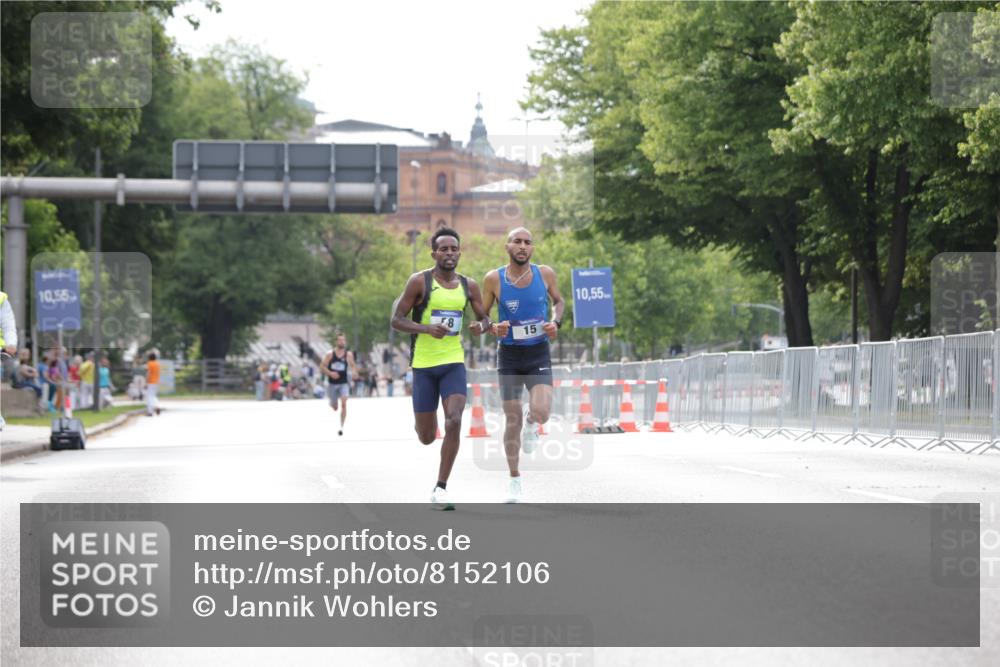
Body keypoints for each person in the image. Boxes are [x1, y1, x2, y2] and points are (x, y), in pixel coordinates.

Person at [390, 227, 493, 510]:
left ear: (460, 252)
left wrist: (479, 326)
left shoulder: (468, 286)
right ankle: (423, 424)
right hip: (423, 366)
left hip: (453, 364)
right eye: (444, 249)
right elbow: (396, 320)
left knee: (455, 421)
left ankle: (441, 487)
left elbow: (485, 319)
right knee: (426, 437)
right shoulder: (419, 282)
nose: (449, 253)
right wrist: (425, 328)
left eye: (454, 249)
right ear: (434, 253)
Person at [480, 227, 565, 503]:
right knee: (511, 417)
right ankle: (514, 479)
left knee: (541, 412)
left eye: (528, 242)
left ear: (533, 249)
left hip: (538, 351)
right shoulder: (494, 279)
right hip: (509, 355)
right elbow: (482, 316)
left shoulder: (545, 274)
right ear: (507, 247)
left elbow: (559, 301)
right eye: (517, 241)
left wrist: (556, 322)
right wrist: (493, 327)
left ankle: (533, 423)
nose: (522, 246)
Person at [320, 332, 356, 436]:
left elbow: (353, 365)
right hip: (332, 384)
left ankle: (341, 426)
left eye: (343, 340)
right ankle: (332, 402)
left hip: (343, 383)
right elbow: (322, 367)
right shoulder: (330, 354)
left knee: (344, 403)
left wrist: (354, 372)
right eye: (340, 340)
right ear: (336, 342)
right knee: (335, 407)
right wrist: (330, 373)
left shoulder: (348, 355)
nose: (342, 342)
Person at [145, 351, 161, 416]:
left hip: (150, 382)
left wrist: (146, 382)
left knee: (149, 397)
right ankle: (157, 406)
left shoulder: (150, 363)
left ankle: (150, 412)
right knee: (153, 396)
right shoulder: (157, 364)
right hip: (156, 382)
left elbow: (148, 373)